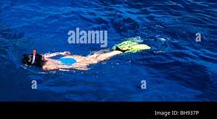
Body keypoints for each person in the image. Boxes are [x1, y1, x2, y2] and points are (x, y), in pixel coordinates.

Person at [22, 39, 151, 71]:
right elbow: (52, 55)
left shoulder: (45, 67)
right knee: (92, 56)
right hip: (68, 59)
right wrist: (62, 53)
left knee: (96, 60)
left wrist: (78, 67)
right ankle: (115, 49)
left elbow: (63, 68)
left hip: (71, 63)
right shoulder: (44, 57)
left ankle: (121, 51)